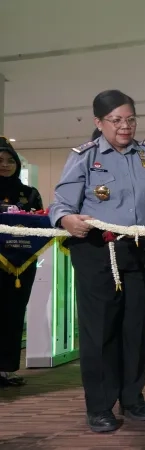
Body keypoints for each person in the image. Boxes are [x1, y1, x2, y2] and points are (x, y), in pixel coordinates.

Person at [48, 90, 145, 432]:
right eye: (116, 120)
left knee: (135, 328)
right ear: (98, 122)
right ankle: (100, 406)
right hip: (97, 252)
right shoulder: (84, 157)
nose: (125, 126)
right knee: (100, 331)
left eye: (131, 119)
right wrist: (67, 221)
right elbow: (60, 204)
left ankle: (133, 398)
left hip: (143, 251)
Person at [0, 136, 44, 388]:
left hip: (19, 267)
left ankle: (5, 369)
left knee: (12, 315)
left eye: (10, 161)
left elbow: (40, 221)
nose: (5, 165)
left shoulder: (29, 193)